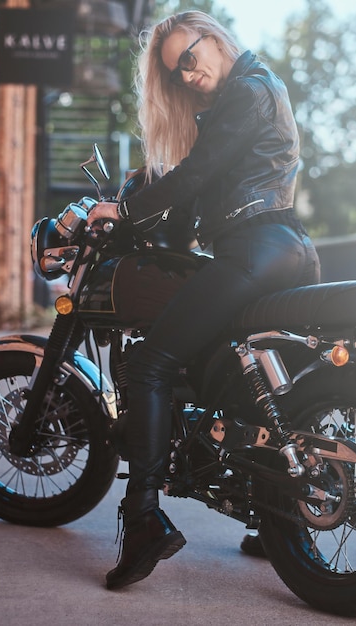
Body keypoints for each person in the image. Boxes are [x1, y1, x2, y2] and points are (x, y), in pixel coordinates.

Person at [86, 10, 320, 589]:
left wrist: (124, 213)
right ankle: (274, 519)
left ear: (211, 38)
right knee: (249, 390)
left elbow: (197, 173)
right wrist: (143, 194)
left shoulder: (249, 87)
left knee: (148, 365)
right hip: (284, 247)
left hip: (254, 249)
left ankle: (142, 521)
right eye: (174, 75)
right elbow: (197, 194)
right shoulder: (253, 92)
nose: (186, 76)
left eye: (188, 59)